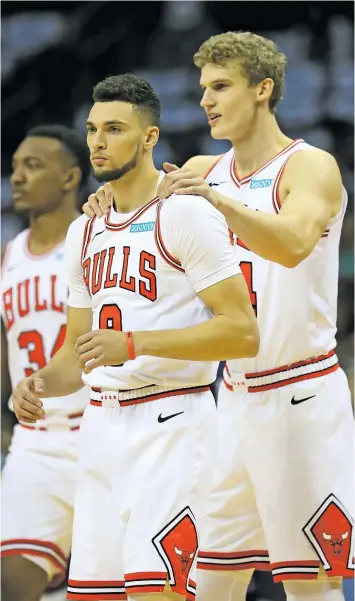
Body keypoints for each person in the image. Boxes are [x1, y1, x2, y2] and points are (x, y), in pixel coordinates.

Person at [84, 33, 354, 601]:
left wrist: (218, 200)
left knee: (312, 586)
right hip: (227, 399)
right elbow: (138, 213)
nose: (206, 100)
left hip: (299, 396)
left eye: (222, 86)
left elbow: (292, 245)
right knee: (206, 581)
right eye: (203, 87)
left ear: (263, 89)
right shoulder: (205, 167)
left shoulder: (309, 167)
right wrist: (104, 204)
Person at [12, 74, 259, 601]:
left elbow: (241, 331)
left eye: (115, 129)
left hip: (172, 425)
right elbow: (75, 352)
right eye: (93, 129)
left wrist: (133, 343)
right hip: (100, 431)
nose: (98, 141)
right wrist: (36, 385)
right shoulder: (86, 229)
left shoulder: (187, 214)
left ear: (150, 138)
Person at [1, 125, 91, 601]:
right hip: (36, 443)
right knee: (12, 586)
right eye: (15, 167)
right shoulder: (8, 256)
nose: (17, 177)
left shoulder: (97, 241)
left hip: (102, 431)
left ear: (70, 176)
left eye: (32, 166)